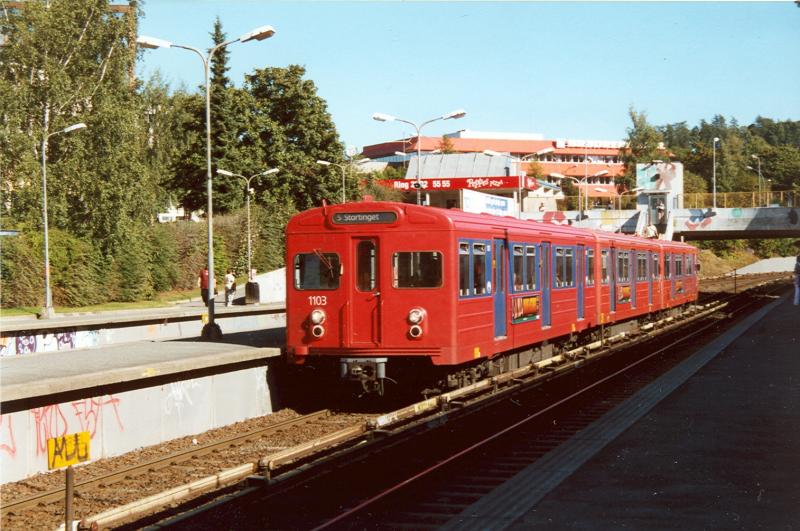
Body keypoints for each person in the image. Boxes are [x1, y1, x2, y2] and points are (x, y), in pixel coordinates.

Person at [794, 241, 800, 306]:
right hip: (798, 274)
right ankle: (796, 301)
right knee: (797, 286)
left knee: (797, 287)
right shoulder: (798, 257)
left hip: (798, 274)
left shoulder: (798, 257)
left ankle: (796, 301)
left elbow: (796, 267)